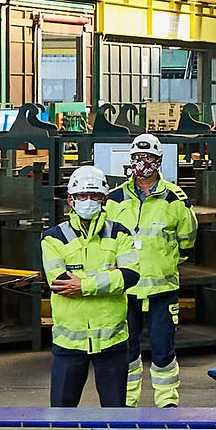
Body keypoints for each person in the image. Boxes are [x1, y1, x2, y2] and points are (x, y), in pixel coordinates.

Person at [104, 133, 197, 408]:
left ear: (158, 161)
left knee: (163, 349)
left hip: (162, 290)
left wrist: (164, 261)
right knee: (127, 349)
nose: (141, 163)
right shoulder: (115, 199)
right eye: (136, 158)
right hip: (125, 289)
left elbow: (187, 240)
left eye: (147, 158)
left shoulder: (175, 200)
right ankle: (127, 403)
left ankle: (167, 404)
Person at [42, 165, 139, 408]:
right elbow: (59, 282)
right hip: (69, 343)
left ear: (104, 199)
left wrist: (84, 284)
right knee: (61, 416)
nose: (88, 201)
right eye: (82, 196)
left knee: (115, 415)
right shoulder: (53, 237)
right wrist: (108, 278)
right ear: (71, 200)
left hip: (112, 341)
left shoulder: (120, 234)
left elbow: (131, 275)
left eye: (94, 196)